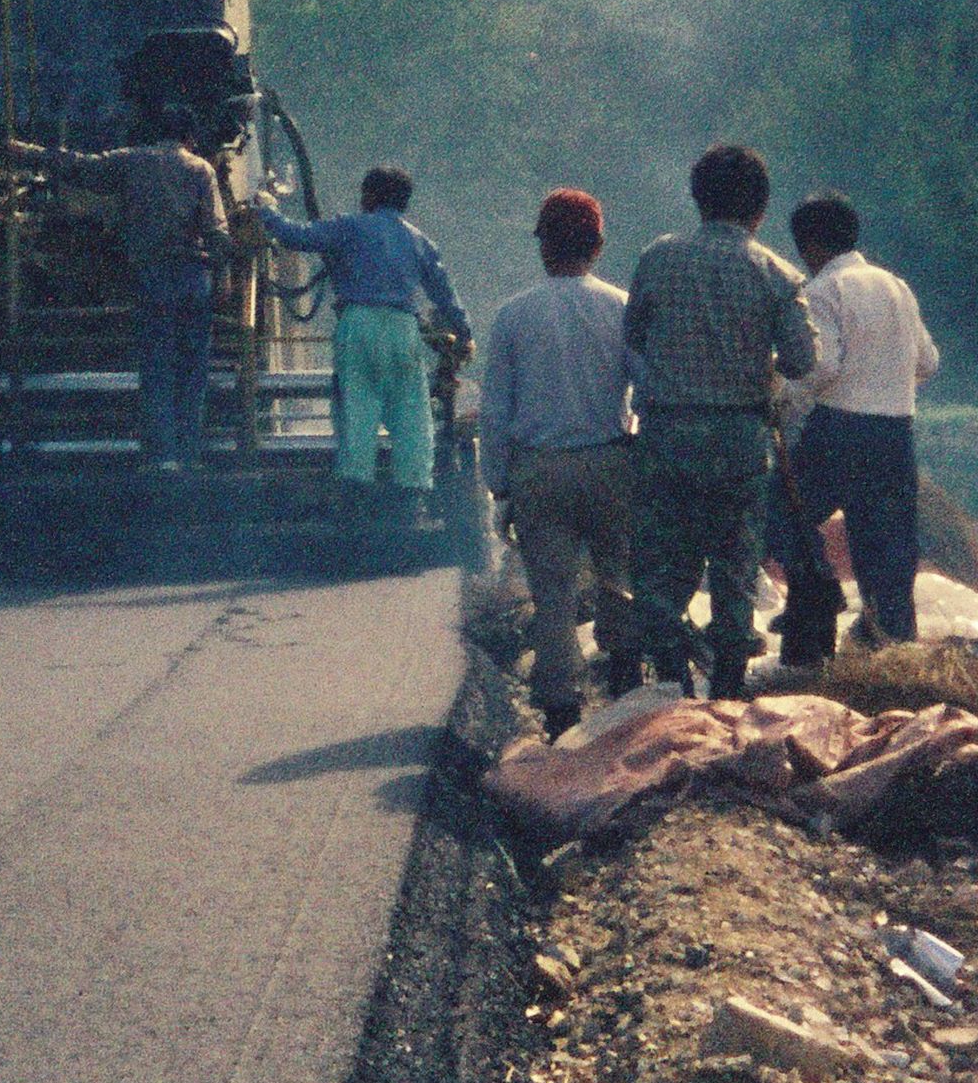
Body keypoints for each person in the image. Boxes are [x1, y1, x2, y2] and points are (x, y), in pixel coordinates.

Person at [617, 142, 818, 697]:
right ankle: (728, 684)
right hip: (738, 440)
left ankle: (671, 674)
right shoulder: (776, 273)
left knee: (661, 561)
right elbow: (804, 360)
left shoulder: (658, 257)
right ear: (760, 208)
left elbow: (633, 333)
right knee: (734, 562)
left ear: (697, 199)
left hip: (665, 434)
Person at [482, 188, 639, 732]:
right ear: (596, 246)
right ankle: (625, 684)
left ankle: (561, 712)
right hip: (610, 465)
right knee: (620, 575)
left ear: (544, 248)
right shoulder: (622, 308)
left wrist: (499, 485)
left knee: (554, 596)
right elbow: (645, 389)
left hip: (539, 471)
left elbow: (495, 411)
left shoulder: (512, 316)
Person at [18, 133, 230, 470]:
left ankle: (163, 456)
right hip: (192, 276)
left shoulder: (133, 160)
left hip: (154, 276)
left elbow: (83, 166)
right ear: (190, 138)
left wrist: (30, 152)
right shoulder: (201, 169)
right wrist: (223, 270)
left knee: (157, 367)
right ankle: (189, 453)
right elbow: (216, 230)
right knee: (192, 371)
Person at [784, 191, 941, 648]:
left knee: (783, 518)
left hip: (837, 431)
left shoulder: (821, 291)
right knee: (888, 554)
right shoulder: (896, 286)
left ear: (810, 246)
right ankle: (893, 651)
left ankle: (816, 605)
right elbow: (927, 362)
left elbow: (822, 366)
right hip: (895, 433)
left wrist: (785, 403)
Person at [261, 166, 469, 497]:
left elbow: (297, 237)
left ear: (369, 196)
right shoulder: (418, 241)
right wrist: (464, 333)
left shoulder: (350, 227)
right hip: (403, 330)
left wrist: (266, 210)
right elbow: (446, 296)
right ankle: (412, 492)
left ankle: (356, 488)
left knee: (358, 408)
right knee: (411, 413)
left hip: (359, 325)